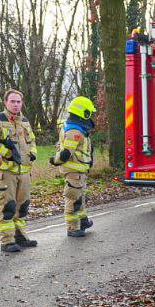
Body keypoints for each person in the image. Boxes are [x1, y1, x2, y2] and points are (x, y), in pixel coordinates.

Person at [0, 89, 38, 252]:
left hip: (24, 172)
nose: (15, 105)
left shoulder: (25, 121)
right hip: (6, 172)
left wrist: (33, 153)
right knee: (7, 207)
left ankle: (19, 236)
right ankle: (7, 241)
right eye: (12, 101)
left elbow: (32, 140)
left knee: (22, 206)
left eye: (18, 102)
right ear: (5, 102)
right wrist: (7, 153)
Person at [50, 96, 96, 237]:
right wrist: (55, 160)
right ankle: (72, 228)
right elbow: (66, 153)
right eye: (90, 113)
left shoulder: (77, 128)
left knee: (79, 198)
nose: (91, 116)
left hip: (79, 170)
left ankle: (82, 221)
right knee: (72, 199)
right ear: (83, 113)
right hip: (73, 171)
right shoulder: (74, 131)